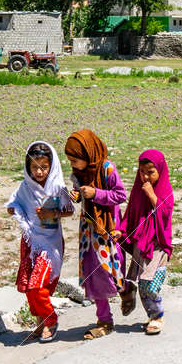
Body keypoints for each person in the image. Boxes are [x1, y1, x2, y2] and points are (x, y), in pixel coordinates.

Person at [6, 141, 74, 341]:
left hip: (50, 244)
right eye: (34, 167)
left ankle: (51, 320)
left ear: (51, 166)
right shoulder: (25, 187)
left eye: (44, 167)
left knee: (37, 285)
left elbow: (69, 210)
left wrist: (52, 213)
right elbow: (15, 202)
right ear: (28, 168)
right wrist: (13, 209)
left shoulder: (57, 187)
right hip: (30, 242)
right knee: (28, 286)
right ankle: (40, 322)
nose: (39, 171)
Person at [65, 128, 126, 340]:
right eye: (70, 161)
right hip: (88, 232)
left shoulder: (107, 169)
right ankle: (104, 320)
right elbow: (80, 196)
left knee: (111, 272)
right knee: (94, 274)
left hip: (107, 231)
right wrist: (75, 195)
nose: (72, 165)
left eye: (75, 160)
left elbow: (120, 195)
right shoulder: (79, 174)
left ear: (88, 154)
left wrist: (96, 194)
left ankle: (127, 291)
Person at [117, 149, 174, 335]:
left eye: (151, 172)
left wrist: (152, 195)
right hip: (140, 244)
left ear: (160, 171)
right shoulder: (137, 190)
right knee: (142, 284)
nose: (146, 176)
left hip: (157, 245)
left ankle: (158, 316)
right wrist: (121, 230)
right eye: (142, 172)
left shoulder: (165, 190)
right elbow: (131, 214)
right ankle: (152, 316)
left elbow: (165, 214)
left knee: (149, 283)